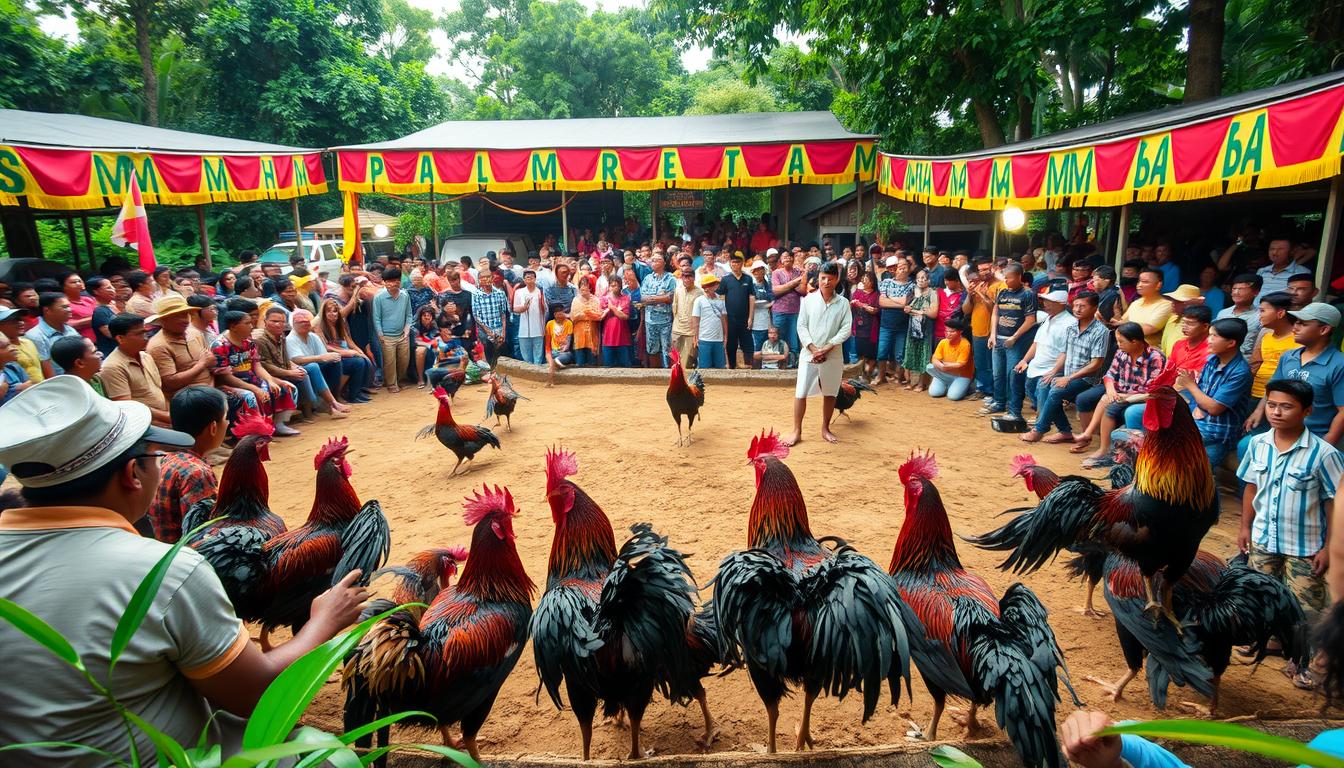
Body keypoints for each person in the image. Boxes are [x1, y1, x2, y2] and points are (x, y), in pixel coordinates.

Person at [0, 376, 370, 766]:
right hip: (167, 757)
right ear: (133, 475)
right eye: (155, 457)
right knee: (330, 757)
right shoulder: (162, 572)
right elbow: (259, 696)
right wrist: (323, 621)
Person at [1238, 378, 1343, 688]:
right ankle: (1269, 641)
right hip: (1264, 538)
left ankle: (1307, 662)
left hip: (1304, 545)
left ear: (1307, 410)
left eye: (1286, 406)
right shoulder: (1258, 445)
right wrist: (1245, 527)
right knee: (1263, 595)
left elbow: (1333, 503)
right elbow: (1251, 487)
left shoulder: (1323, 454)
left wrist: (1328, 546)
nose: (1277, 412)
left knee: (1306, 607)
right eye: (1272, 405)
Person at [1244, 302, 1344, 449]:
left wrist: (1326, 445)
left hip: (1316, 436)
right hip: (1283, 431)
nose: (1295, 328)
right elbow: (1273, 389)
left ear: (1324, 329)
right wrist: (1258, 411)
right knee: (1246, 446)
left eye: (1302, 324)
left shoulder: (1339, 364)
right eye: (1296, 322)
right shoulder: (1289, 356)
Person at [1021, 292, 1109, 444]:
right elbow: (1064, 352)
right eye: (1075, 305)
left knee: (1055, 391)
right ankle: (1065, 432)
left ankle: (1040, 429)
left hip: (1089, 379)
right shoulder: (1072, 326)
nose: (1078, 309)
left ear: (1094, 308)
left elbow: (1096, 364)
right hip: (1069, 375)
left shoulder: (1100, 331)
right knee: (1044, 383)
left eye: (1083, 306)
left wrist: (1067, 378)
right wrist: (1054, 372)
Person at [1075, 323, 1167, 464]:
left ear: (1135, 342)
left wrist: (1124, 396)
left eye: (1121, 341)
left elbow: (1153, 390)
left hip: (1144, 397)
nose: (1118, 345)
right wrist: (1111, 389)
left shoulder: (1156, 357)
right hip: (1122, 393)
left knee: (1109, 403)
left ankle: (1100, 445)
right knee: (1106, 397)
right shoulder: (1121, 353)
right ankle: (1096, 442)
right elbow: (1110, 374)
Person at [147, 386, 228, 543]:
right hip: (182, 557)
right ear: (213, 428)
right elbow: (204, 535)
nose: (227, 423)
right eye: (225, 418)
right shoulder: (196, 472)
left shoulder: (162, 459)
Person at [784, 263, 851, 446]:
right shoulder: (808, 300)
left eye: (830, 278)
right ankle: (796, 430)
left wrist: (828, 347)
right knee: (801, 391)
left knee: (830, 392)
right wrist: (813, 348)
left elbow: (846, 329)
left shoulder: (843, 303)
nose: (826, 281)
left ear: (836, 279)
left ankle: (825, 428)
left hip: (833, 354)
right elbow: (801, 326)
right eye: (823, 278)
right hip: (809, 354)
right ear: (818, 278)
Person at [1177, 317, 1253, 466]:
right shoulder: (1213, 360)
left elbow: (1214, 408)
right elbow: (1203, 391)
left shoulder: (1240, 372)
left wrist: (1189, 385)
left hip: (1217, 431)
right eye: (1209, 335)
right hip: (1200, 421)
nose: (1208, 340)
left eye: (1214, 336)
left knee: (1192, 475)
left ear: (1231, 343)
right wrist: (1200, 405)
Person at [211, 310, 300, 436]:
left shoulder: (249, 343)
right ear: (233, 327)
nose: (251, 326)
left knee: (286, 387)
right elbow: (224, 377)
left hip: (251, 378)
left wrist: (270, 381)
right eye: (247, 323)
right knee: (250, 396)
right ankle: (252, 432)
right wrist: (254, 388)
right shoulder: (220, 345)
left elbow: (257, 366)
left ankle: (277, 425)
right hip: (229, 385)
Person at [984, 263, 1038, 422]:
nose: (1006, 280)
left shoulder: (1028, 294)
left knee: (1013, 375)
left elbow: (1030, 320)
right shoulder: (1002, 291)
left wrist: (1014, 337)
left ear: (1019, 277)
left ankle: (1014, 408)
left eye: (1009, 278)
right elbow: (995, 313)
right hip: (999, 338)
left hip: (1016, 342)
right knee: (998, 373)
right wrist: (992, 334)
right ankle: (999, 401)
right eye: (1005, 277)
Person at [101, 313, 171, 428]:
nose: (146, 337)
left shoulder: (145, 356)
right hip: (144, 425)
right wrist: (168, 418)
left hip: (163, 417)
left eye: (145, 332)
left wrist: (170, 414)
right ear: (120, 338)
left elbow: (159, 391)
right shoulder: (112, 367)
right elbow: (128, 408)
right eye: (139, 334)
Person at [1016, 289, 1076, 416]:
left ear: (1061, 303)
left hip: (1053, 366)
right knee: (1030, 388)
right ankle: (1045, 415)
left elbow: (1066, 352)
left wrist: (1054, 371)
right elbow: (1036, 343)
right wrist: (1024, 360)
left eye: (1050, 302)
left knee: (1042, 389)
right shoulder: (1047, 319)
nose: (1045, 304)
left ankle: (1041, 421)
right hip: (1037, 364)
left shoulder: (1070, 323)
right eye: (1045, 301)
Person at [145, 294, 214, 399]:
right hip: (189, 399)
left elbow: (210, 360)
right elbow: (171, 382)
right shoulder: (158, 346)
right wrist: (202, 364)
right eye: (178, 316)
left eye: (186, 314)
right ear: (163, 320)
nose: (185, 320)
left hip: (211, 389)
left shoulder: (195, 333)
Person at [317, 298, 374, 404]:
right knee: (358, 362)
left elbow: (349, 341)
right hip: (330, 358)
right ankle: (350, 395)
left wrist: (359, 351)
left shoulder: (339, 324)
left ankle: (357, 393)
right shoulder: (319, 327)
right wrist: (348, 352)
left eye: (335, 311)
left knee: (365, 360)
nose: (332, 314)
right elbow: (326, 347)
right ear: (323, 312)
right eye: (329, 311)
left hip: (343, 355)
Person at [966, 256, 1002, 399]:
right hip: (978, 329)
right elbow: (966, 310)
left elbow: (994, 308)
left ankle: (993, 392)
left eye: (986, 269)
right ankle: (982, 389)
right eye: (981, 270)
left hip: (994, 331)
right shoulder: (979, 285)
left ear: (993, 268)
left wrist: (979, 292)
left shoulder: (1001, 286)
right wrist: (969, 294)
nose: (984, 272)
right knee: (980, 362)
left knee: (993, 364)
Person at [372, 267, 412, 393]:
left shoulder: (405, 295)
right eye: (391, 280)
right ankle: (391, 384)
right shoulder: (379, 297)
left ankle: (399, 381)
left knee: (404, 361)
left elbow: (409, 315)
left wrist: (407, 331)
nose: (395, 283)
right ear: (385, 282)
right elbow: (376, 318)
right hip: (386, 336)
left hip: (402, 334)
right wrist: (381, 335)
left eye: (397, 280)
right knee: (389, 362)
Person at [24, 292, 80, 375]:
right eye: (64, 307)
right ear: (47, 310)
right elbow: (48, 373)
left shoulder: (69, 329)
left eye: (69, 306)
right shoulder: (35, 336)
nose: (69, 310)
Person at [901, 268, 939, 392]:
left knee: (924, 354)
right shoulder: (913, 291)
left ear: (928, 280)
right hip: (912, 328)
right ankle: (911, 382)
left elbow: (933, 313)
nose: (921, 280)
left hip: (926, 329)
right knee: (910, 353)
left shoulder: (933, 293)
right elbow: (905, 308)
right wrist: (909, 310)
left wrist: (915, 311)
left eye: (924, 278)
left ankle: (921, 384)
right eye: (919, 278)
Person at [1118, 267, 1173, 349]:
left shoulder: (1166, 305)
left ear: (1158, 285)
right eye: (1139, 281)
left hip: (1149, 355)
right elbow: (1120, 325)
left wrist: (1123, 325)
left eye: (1145, 282)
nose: (1139, 285)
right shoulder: (1136, 303)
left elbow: (1147, 330)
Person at [718, 253, 755, 369]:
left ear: (742, 264)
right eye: (733, 262)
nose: (735, 264)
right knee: (731, 345)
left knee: (748, 344)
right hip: (730, 319)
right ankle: (732, 367)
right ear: (730, 264)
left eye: (737, 262)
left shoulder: (748, 279)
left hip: (745, 318)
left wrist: (750, 317)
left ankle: (749, 367)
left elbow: (752, 298)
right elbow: (720, 298)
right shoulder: (725, 279)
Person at [639, 254, 676, 368]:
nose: (654, 262)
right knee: (652, 349)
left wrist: (652, 298)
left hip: (666, 321)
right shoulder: (648, 278)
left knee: (667, 349)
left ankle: (668, 374)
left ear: (664, 263)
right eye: (653, 260)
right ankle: (656, 375)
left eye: (658, 260)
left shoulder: (670, 278)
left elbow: (670, 297)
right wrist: (660, 298)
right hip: (650, 320)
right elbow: (642, 297)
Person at [1216, 273, 1263, 359]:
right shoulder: (1223, 313)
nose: (1236, 292)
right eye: (1234, 289)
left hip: (1245, 361)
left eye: (1241, 289)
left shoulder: (1260, 316)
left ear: (1256, 292)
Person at [927, 317, 974, 401]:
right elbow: (934, 359)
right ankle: (949, 386)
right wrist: (940, 365)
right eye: (946, 331)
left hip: (961, 375)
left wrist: (944, 365)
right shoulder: (943, 342)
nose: (948, 334)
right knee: (934, 393)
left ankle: (963, 387)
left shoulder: (965, 344)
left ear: (960, 332)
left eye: (952, 332)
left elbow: (960, 364)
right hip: (944, 373)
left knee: (953, 397)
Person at [771, 250, 806, 355]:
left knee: (793, 339)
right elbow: (775, 291)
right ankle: (778, 361)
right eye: (785, 257)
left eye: (790, 256)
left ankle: (793, 362)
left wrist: (785, 287)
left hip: (794, 311)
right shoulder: (776, 273)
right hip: (779, 311)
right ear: (781, 260)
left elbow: (803, 291)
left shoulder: (799, 272)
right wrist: (794, 283)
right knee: (778, 338)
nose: (788, 258)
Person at [471, 269, 509, 367]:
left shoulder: (500, 293)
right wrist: (488, 331)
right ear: (479, 280)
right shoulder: (476, 294)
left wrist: (503, 332)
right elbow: (476, 316)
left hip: (498, 328)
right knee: (489, 355)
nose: (486, 279)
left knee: (500, 355)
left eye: (488, 276)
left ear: (492, 278)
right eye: (483, 277)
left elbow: (503, 314)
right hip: (484, 331)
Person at [0, 307, 49, 383]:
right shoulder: (3, 351)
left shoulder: (29, 342)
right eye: (13, 321)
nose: (21, 323)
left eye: (20, 319)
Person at [691, 273, 729, 369]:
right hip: (704, 339)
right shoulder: (699, 300)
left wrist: (725, 336)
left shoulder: (721, 300)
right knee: (704, 367)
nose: (717, 285)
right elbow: (696, 319)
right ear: (707, 287)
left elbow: (724, 319)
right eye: (714, 284)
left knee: (720, 367)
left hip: (718, 339)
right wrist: (696, 336)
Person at [1256, 237, 1311, 301]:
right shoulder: (1262, 271)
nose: (1274, 253)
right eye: (1272, 249)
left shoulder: (1302, 272)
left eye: (1280, 249)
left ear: (1292, 251)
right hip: (1254, 310)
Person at [1165, 304, 1213, 376]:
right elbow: (1169, 369)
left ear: (1205, 326)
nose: (1184, 327)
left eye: (1190, 324)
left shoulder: (1211, 350)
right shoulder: (1179, 344)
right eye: (1183, 322)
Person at [851, 270, 881, 382]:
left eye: (866, 278)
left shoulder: (876, 295)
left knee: (871, 353)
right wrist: (852, 303)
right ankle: (862, 373)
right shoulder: (857, 292)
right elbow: (851, 306)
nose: (864, 280)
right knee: (860, 352)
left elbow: (875, 311)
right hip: (859, 327)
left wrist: (861, 305)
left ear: (872, 282)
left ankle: (867, 374)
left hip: (871, 327)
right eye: (863, 278)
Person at [671, 268, 704, 368]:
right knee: (675, 358)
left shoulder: (700, 293)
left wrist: (697, 333)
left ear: (694, 278)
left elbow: (701, 314)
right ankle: (676, 381)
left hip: (691, 332)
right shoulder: (678, 290)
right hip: (677, 329)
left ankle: (688, 382)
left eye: (690, 277)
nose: (687, 279)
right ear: (681, 278)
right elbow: (674, 308)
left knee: (690, 359)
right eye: (685, 277)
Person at [512, 269, 547, 365]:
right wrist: (524, 308)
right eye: (527, 277)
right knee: (526, 357)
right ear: (524, 280)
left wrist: (543, 303)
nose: (530, 279)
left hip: (538, 330)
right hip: (523, 330)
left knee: (538, 355)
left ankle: (537, 372)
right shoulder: (519, 292)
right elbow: (515, 308)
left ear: (535, 279)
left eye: (532, 277)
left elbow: (545, 309)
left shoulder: (540, 292)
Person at [598, 276, 633, 367]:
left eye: (616, 285)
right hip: (608, 337)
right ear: (609, 286)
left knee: (626, 366)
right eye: (612, 285)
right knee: (608, 366)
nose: (614, 288)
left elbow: (624, 316)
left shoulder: (625, 298)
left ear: (620, 286)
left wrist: (612, 308)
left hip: (622, 338)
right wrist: (613, 310)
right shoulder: (604, 299)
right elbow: (600, 316)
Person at [569, 276, 602, 367]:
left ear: (590, 287)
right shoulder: (575, 300)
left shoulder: (596, 300)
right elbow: (573, 317)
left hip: (592, 335)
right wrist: (588, 314)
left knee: (592, 363)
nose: (583, 287)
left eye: (585, 285)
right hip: (579, 335)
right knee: (580, 363)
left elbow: (598, 315)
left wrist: (584, 315)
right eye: (581, 285)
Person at [425, 321, 467, 389]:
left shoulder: (454, 341)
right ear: (440, 332)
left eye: (448, 330)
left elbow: (463, 355)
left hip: (455, 366)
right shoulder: (436, 342)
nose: (447, 332)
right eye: (445, 330)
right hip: (442, 367)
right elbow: (440, 357)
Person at [87, 276, 119, 357]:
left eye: (112, 286)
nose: (113, 289)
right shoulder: (100, 312)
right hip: (111, 353)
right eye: (108, 288)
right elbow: (111, 334)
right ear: (96, 291)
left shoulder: (111, 306)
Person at [544, 305, 574, 387]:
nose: (560, 316)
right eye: (559, 314)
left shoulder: (568, 323)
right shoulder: (550, 324)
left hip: (564, 352)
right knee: (554, 362)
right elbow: (547, 342)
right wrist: (548, 353)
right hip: (553, 351)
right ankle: (551, 381)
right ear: (555, 315)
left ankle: (550, 380)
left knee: (567, 356)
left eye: (562, 314)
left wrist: (564, 349)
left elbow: (568, 340)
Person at [0, 331, 33, 405]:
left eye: (10, 344)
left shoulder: (13, 367)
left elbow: (29, 386)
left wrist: (18, 389)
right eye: (5, 346)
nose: (13, 348)